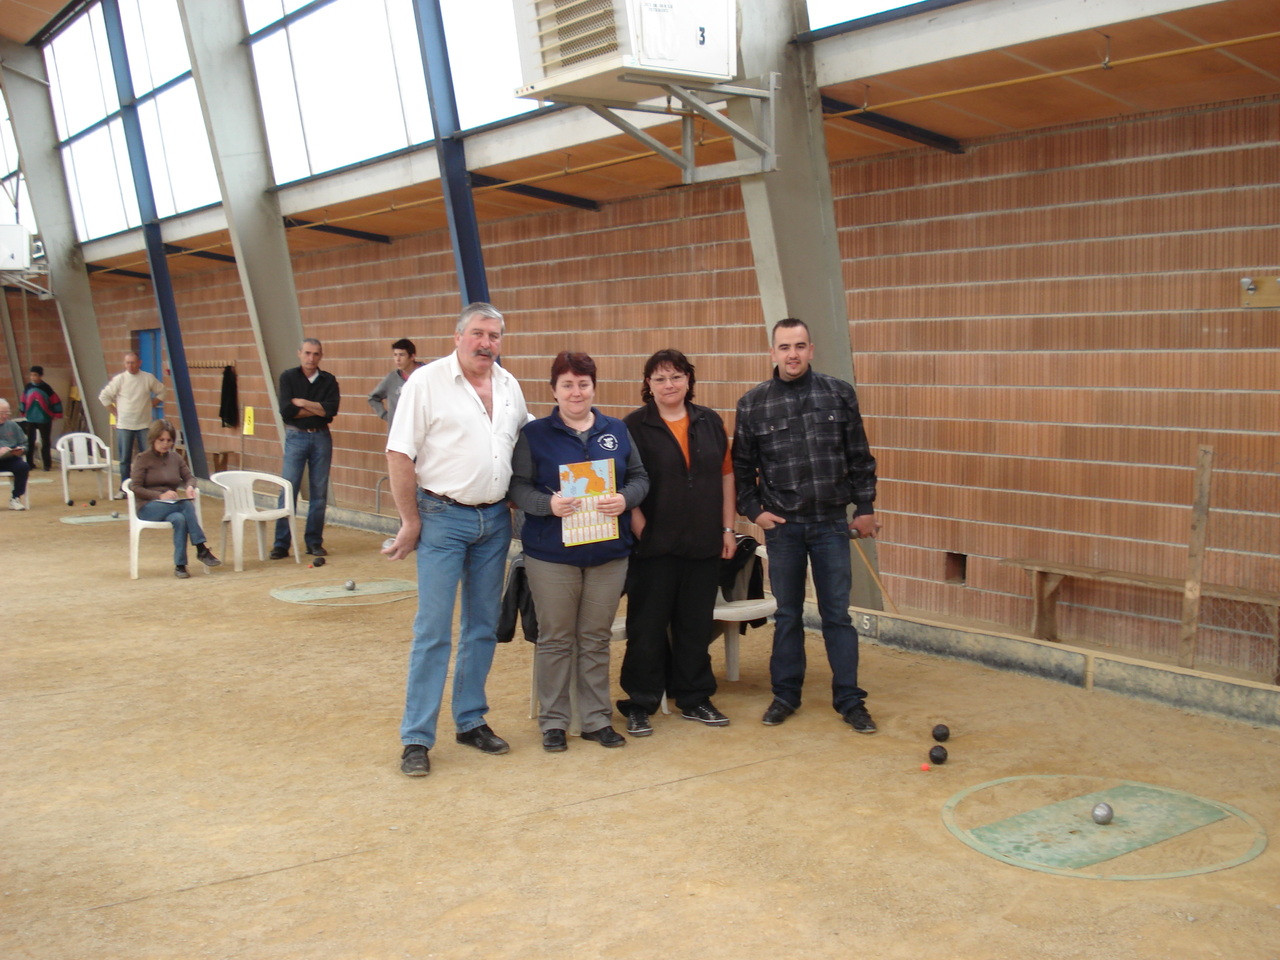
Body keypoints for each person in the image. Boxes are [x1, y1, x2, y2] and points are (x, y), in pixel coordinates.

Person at [384, 303, 529, 777]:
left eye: (495, 336)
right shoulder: (425, 383)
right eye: (478, 334)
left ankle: (470, 720)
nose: (486, 343)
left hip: (495, 522)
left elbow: (525, 445)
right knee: (433, 631)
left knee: (483, 626)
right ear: (458, 336)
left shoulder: (508, 386)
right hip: (442, 519)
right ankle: (416, 738)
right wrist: (410, 521)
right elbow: (399, 454)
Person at [732, 318, 881, 734]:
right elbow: (741, 469)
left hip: (831, 524)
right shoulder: (753, 404)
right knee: (788, 614)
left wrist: (865, 507)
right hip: (784, 528)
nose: (792, 354)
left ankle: (850, 700)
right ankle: (785, 695)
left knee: (837, 616)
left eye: (799, 346)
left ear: (811, 350)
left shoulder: (838, 394)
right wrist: (755, 512)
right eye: (784, 347)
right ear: (773, 352)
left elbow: (859, 456)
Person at [508, 351, 649, 753]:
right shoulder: (535, 434)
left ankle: (596, 719)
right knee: (555, 638)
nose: (576, 392)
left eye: (583, 384)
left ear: (593, 387)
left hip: (608, 554)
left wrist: (625, 499)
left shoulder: (616, 430)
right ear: (554, 390)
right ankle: (554, 722)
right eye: (567, 384)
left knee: (595, 638)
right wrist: (546, 505)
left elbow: (639, 477)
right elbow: (517, 487)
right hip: (552, 556)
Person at [617, 349, 736, 736]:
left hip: (703, 543)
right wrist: (641, 529)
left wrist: (728, 529)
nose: (669, 385)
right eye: (660, 378)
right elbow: (624, 483)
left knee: (695, 625)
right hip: (654, 546)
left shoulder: (709, 421)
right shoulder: (633, 426)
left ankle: (694, 696)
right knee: (646, 627)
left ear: (688, 380)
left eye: (676, 377)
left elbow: (726, 476)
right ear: (648, 385)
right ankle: (641, 701)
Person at [270, 338, 339, 559]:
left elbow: (331, 411)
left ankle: (314, 542)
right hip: (296, 436)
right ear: (299, 353)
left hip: (321, 437)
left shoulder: (328, 380)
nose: (311, 358)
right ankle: (281, 544)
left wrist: (303, 403)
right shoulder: (288, 377)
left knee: (319, 491)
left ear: (321, 356)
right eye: (307, 353)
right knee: (288, 487)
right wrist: (317, 408)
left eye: (316, 354)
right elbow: (286, 411)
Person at [129, 419, 221, 578]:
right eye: (161, 440)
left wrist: (190, 486)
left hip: (171, 505)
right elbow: (135, 487)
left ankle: (180, 566)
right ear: (153, 439)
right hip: (148, 506)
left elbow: (190, 477)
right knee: (185, 506)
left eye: (169, 440)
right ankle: (201, 548)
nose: (165, 444)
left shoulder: (175, 458)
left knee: (180, 518)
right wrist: (159, 495)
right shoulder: (142, 458)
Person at [98, 352, 164, 489]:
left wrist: (152, 403)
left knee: (147, 457)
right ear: (124, 364)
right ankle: (124, 487)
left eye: (133, 362)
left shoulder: (148, 378)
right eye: (127, 363)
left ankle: (148, 485)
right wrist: (116, 413)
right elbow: (104, 397)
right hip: (124, 425)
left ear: (139, 363)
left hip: (144, 424)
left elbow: (163, 391)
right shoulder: (119, 379)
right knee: (124, 459)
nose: (130, 366)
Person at [368, 338, 424, 427]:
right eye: (395, 355)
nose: (397, 359)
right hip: (398, 430)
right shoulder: (392, 378)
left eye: (401, 355)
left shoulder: (426, 375)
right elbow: (373, 398)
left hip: (421, 428)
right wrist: (387, 416)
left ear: (412, 356)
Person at [19, 365, 62, 472]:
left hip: (44, 419)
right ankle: (30, 463)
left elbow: (55, 400)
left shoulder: (46, 388)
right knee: (30, 441)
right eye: (31, 375)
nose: (33, 377)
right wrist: (22, 411)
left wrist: (56, 413)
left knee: (45, 441)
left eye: (35, 375)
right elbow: (23, 399)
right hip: (31, 419)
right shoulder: (28, 387)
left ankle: (47, 464)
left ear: (40, 376)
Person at [0, 399, 31, 511]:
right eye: (2, 413)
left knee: (23, 467)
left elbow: (24, 443)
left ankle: (15, 498)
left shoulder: (13, 426)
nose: (5, 416)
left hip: (10, 458)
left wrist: (21, 450)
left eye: (7, 412)